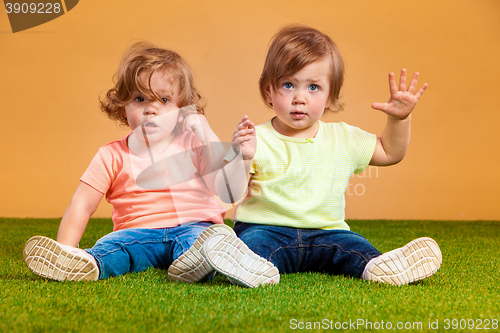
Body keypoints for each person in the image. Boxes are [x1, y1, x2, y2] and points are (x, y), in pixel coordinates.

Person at [23, 41, 279, 288]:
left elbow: (221, 186)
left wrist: (206, 134)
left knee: (205, 243)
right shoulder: (111, 155)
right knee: (114, 247)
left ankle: (208, 263)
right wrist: (66, 247)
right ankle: (84, 263)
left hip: (195, 227)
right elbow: (81, 204)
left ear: (182, 109)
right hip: (138, 233)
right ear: (122, 107)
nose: (151, 110)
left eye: (164, 100)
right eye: (139, 99)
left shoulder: (193, 143)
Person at [218, 25, 442, 286]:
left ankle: (378, 266)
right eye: (288, 85)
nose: (299, 98)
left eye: (313, 87)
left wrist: (399, 119)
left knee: (354, 246)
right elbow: (227, 196)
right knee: (250, 246)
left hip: (326, 234)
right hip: (265, 230)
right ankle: (249, 266)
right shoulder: (252, 138)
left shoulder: (343, 137)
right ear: (269, 91)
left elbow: (390, 152)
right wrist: (242, 158)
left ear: (329, 96)